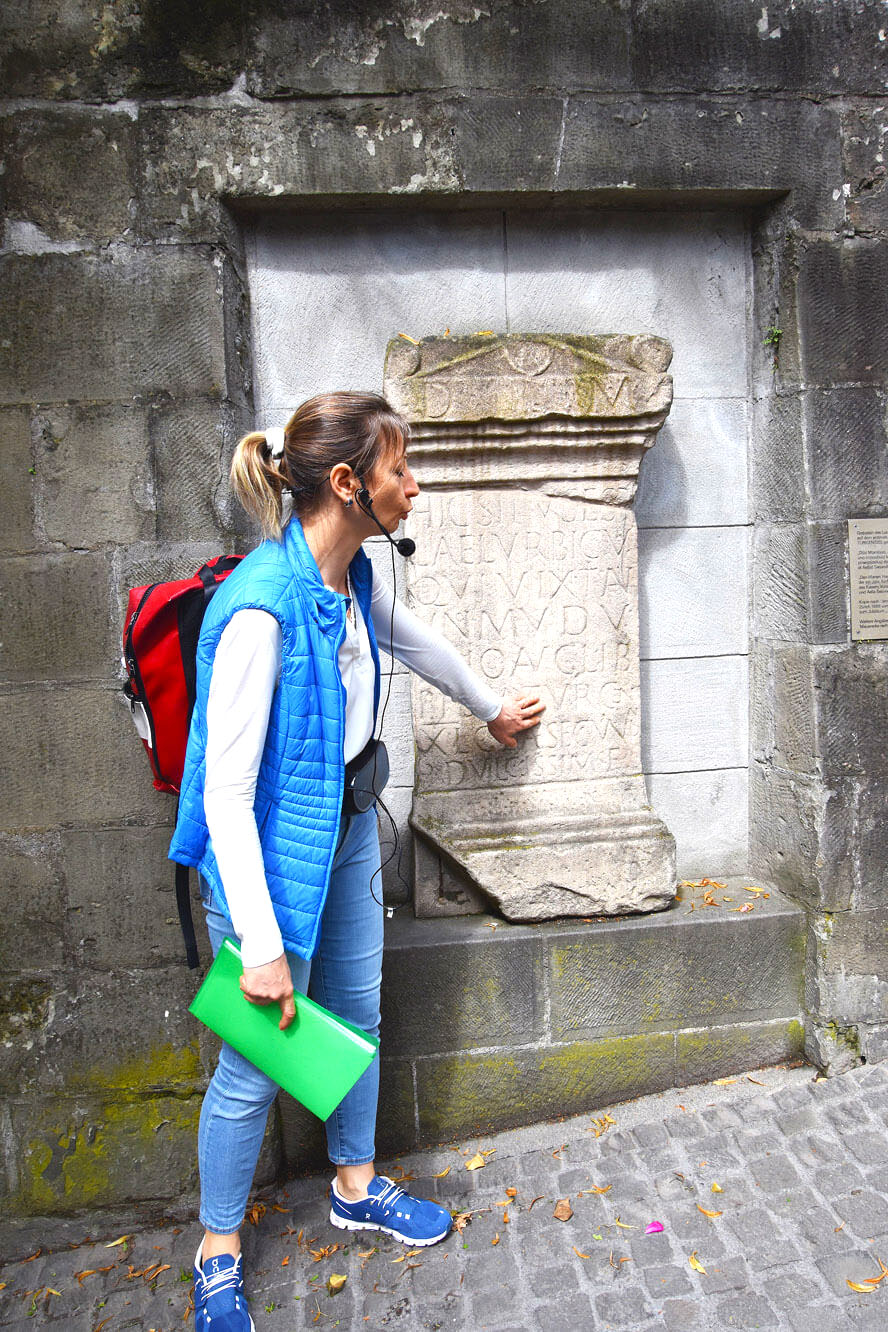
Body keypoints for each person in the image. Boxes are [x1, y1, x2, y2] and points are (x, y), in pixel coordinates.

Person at [169, 392, 544, 1332]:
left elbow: (412, 643)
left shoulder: (359, 578)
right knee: (255, 1061)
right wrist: (257, 942)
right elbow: (224, 798)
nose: (413, 488)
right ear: (347, 484)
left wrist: (489, 704)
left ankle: (356, 1184)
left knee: (361, 1012)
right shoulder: (258, 613)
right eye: (398, 472)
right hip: (267, 860)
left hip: (345, 834)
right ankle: (216, 1251)